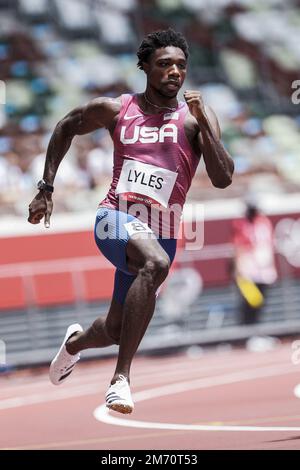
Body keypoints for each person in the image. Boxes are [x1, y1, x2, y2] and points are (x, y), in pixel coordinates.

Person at [27, 28, 234, 414]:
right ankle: (120, 380)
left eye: (181, 66)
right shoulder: (117, 109)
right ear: (144, 68)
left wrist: (205, 123)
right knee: (155, 262)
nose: (175, 72)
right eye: (164, 64)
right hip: (116, 218)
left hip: (164, 229)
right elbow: (66, 125)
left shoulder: (195, 120)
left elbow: (223, 178)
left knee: (117, 329)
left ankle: (74, 344)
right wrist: (46, 188)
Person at [232, 199, 277, 325]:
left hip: (263, 271)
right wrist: (239, 269)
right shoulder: (241, 224)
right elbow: (239, 247)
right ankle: (247, 333)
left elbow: (268, 246)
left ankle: (256, 330)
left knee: (259, 303)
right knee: (249, 303)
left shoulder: (264, 223)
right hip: (248, 271)